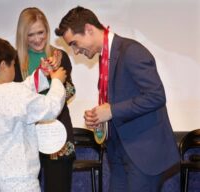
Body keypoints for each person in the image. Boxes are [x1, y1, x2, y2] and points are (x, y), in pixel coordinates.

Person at [55, 6, 180, 192]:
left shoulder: (131, 51)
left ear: (89, 29)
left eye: (74, 43)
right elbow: (118, 100)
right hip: (118, 153)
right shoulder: (105, 57)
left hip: (143, 155)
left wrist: (112, 110)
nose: (74, 51)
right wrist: (100, 118)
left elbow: (156, 96)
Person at [0, 36, 67, 192]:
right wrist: (57, 81)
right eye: (13, 65)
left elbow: (22, 90)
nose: (14, 69)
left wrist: (41, 73)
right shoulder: (13, 93)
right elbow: (51, 107)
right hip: (20, 182)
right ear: (3, 66)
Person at [15, 7, 76, 192]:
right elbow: (13, 98)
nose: (37, 39)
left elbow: (71, 92)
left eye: (40, 32)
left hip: (57, 136)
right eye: (30, 34)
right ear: (22, 36)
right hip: (26, 137)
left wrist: (55, 78)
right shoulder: (13, 61)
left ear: (47, 31)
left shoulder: (60, 56)